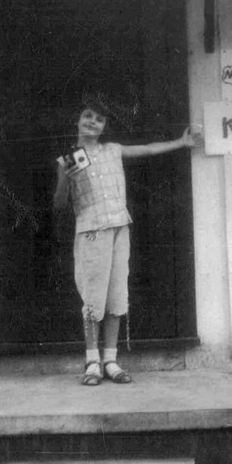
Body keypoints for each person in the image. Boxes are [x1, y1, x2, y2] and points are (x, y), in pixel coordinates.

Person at [53, 100, 200, 386]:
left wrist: (181, 142)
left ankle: (110, 360)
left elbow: (146, 149)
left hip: (120, 227)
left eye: (99, 119)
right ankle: (92, 361)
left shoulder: (112, 150)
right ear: (77, 121)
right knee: (94, 298)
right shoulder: (69, 158)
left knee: (117, 295)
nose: (93, 122)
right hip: (92, 230)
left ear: (105, 126)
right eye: (87, 116)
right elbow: (59, 204)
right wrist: (66, 179)